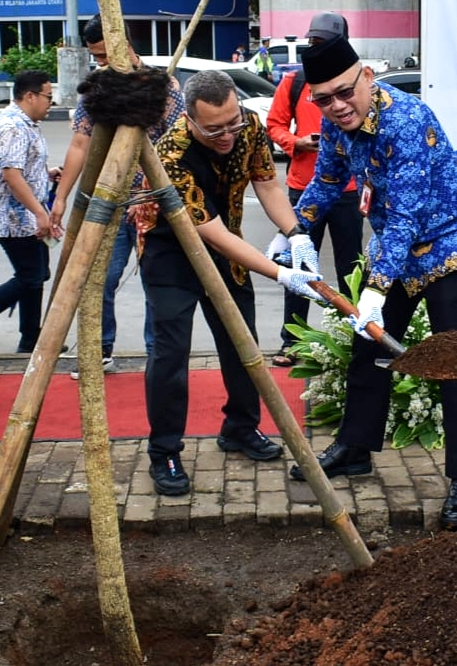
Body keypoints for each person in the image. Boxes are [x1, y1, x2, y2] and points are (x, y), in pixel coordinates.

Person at [286, 32, 457, 531]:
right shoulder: (335, 122)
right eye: (323, 99)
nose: (337, 106)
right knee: (369, 347)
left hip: (447, 242)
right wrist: (295, 231)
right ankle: (356, 447)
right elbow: (327, 180)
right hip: (396, 248)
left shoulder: (406, 120)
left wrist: (375, 290)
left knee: (454, 357)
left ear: (367, 77)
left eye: (344, 92)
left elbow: (405, 215)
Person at [139, 69, 325, 497]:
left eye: (232, 123)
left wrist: (295, 233)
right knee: (170, 355)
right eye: (214, 129)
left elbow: (267, 183)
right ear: (190, 119)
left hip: (228, 249)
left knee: (242, 343)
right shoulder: (170, 153)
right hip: (171, 256)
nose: (226, 135)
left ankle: (240, 427)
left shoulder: (250, 127)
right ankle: (164, 451)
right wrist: (281, 274)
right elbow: (211, 232)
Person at [49, 16, 180, 371]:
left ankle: (158, 355)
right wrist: (61, 197)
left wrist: (152, 192)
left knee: (157, 281)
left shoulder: (162, 85)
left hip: (153, 203)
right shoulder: (96, 88)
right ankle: (99, 349)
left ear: (125, 44)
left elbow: (175, 145)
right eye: (97, 57)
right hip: (108, 201)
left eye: (106, 55)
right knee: (99, 279)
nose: (102, 63)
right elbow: (80, 143)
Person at [265, 12, 364, 367]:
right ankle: (293, 341)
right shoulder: (295, 82)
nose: (316, 48)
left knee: (350, 268)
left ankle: (350, 338)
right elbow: (274, 125)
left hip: (347, 190)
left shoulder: (353, 86)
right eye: (313, 41)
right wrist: (296, 143)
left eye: (324, 42)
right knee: (299, 267)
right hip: (303, 188)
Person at [0, 71, 62, 354]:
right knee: (30, 276)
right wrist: (40, 213)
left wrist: (46, 174)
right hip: (15, 217)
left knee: (36, 276)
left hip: (28, 215)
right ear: (30, 96)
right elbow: (11, 175)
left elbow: (22, 166)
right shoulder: (13, 126)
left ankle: (30, 339)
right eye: (48, 97)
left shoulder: (28, 123)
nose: (51, 103)